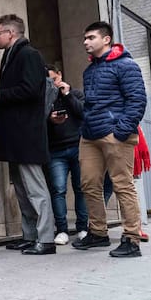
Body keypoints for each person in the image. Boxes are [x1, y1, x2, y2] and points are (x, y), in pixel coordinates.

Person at [0, 14, 56, 256]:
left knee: (35, 187)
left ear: (10, 33)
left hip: (26, 133)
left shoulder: (29, 54)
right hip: (16, 134)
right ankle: (30, 235)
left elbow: (31, 89)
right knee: (22, 189)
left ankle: (46, 239)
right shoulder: (11, 55)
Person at [72, 21, 147, 257]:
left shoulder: (126, 65)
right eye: (84, 38)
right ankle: (98, 233)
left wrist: (121, 131)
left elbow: (137, 101)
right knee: (88, 184)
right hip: (90, 135)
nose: (86, 42)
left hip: (115, 134)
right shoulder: (90, 70)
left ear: (106, 39)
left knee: (122, 185)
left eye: (91, 37)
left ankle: (132, 239)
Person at [45, 65, 88, 245]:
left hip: (78, 146)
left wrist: (67, 94)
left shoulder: (76, 94)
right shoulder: (46, 99)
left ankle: (83, 228)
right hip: (56, 150)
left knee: (81, 189)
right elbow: (39, 122)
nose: (53, 84)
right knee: (58, 190)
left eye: (54, 79)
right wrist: (50, 119)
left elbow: (83, 112)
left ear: (60, 75)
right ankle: (61, 229)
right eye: (49, 82)